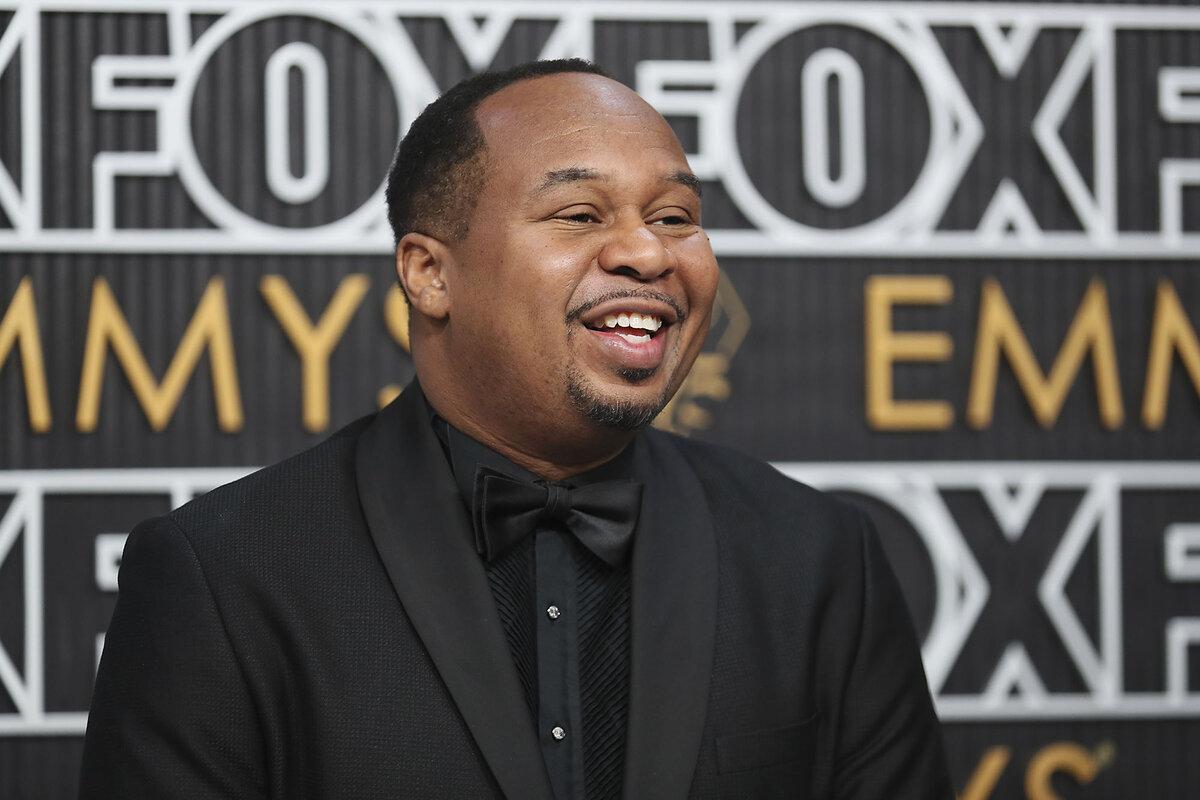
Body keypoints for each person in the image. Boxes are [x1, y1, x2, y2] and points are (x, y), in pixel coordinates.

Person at [79, 59, 951, 799]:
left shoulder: (820, 558)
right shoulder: (225, 576)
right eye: (580, 215)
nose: (648, 253)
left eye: (675, 217)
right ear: (429, 273)